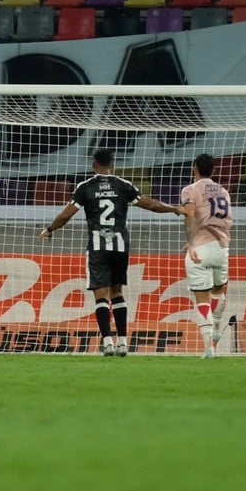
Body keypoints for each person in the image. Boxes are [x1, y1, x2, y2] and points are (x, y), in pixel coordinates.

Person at [38, 148, 179, 357]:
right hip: (120, 247)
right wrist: (173, 208)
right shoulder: (123, 185)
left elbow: (66, 215)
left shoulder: (86, 187)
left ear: (94, 164)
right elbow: (150, 204)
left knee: (101, 295)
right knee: (117, 292)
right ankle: (123, 342)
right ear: (112, 164)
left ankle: (108, 342)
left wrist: (50, 229)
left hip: (98, 247)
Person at [177, 154, 234, 359]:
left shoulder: (190, 189)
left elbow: (190, 214)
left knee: (201, 298)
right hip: (221, 248)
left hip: (200, 250)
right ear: (213, 170)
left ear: (195, 169)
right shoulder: (223, 191)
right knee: (218, 289)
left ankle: (209, 347)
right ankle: (217, 328)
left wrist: (192, 243)